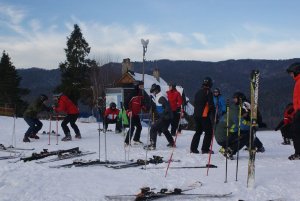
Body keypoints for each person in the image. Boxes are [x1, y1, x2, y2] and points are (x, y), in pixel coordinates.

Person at [144, 83, 175, 150]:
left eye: (154, 91)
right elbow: (159, 107)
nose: (153, 93)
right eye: (152, 92)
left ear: (157, 90)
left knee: (153, 128)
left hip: (166, 117)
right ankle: (172, 143)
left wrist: (162, 116)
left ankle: (152, 145)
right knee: (164, 129)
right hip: (168, 116)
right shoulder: (159, 96)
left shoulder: (161, 97)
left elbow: (168, 107)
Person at [190, 77, 215, 154]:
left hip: (196, 115)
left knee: (198, 131)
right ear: (210, 84)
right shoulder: (209, 92)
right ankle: (205, 149)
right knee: (209, 132)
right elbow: (210, 104)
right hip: (204, 115)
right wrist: (213, 113)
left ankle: (193, 149)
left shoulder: (198, 92)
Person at [124, 81, 145, 145]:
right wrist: (128, 110)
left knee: (139, 127)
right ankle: (127, 142)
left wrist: (143, 106)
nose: (142, 87)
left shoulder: (140, 94)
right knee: (132, 127)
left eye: (142, 86)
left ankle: (136, 139)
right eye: (141, 86)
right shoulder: (132, 93)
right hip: (130, 113)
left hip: (135, 113)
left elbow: (139, 103)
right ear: (137, 86)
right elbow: (125, 102)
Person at [286, 62, 300, 160]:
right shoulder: (298, 81)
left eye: (291, 73)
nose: (291, 75)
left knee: (295, 131)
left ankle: (298, 153)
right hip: (297, 110)